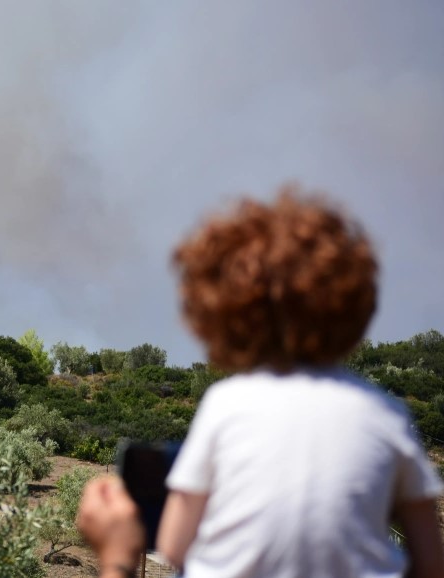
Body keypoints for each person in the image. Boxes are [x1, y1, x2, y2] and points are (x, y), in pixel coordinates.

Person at [77, 186, 444, 578]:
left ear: (222, 314)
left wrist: (117, 555)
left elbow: (173, 546)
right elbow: (430, 561)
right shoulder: (386, 414)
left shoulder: (227, 404)